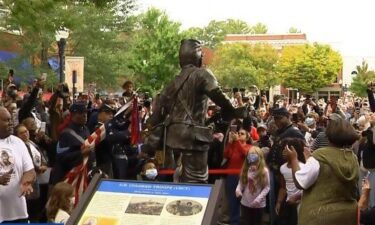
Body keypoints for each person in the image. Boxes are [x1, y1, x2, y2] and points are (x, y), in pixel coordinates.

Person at [142, 39, 247, 183]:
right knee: (196, 178)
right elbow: (217, 95)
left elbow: (157, 112)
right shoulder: (202, 74)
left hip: (173, 135)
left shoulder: (173, 82)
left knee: (170, 176)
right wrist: (233, 110)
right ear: (197, 56)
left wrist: (150, 127)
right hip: (192, 136)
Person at [284, 113, 359, 225]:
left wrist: (294, 159)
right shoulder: (353, 157)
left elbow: (301, 183)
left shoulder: (320, 155)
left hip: (319, 216)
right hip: (347, 216)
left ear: (328, 136)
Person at [0, 106, 36, 223]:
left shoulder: (17, 142)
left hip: (17, 212)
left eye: (11, 119)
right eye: (6, 120)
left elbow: (30, 170)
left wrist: (27, 182)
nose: (11, 123)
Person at [50, 102, 95, 185]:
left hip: (85, 173)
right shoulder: (66, 134)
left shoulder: (86, 129)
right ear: (73, 115)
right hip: (70, 177)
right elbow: (61, 157)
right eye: (81, 113)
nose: (85, 115)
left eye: (86, 113)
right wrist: (81, 153)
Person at [223, 128, 251, 225]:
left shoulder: (249, 147)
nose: (239, 135)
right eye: (238, 133)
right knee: (232, 200)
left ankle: (245, 221)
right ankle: (234, 222)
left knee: (245, 200)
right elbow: (226, 155)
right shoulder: (234, 145)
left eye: (242, 134)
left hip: (243, 177)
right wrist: (230, 142)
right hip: (231, 176)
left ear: (247, 137)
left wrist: (237, 142)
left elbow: (245, 154)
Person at [235, 147, 270, 225]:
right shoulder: (246, 169)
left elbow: (267, 187)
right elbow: (241, 183)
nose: (251, 156)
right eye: (250, 154)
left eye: (254, 154)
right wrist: (238, 190)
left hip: (259, 205)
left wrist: (258, 199)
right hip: (245, 203)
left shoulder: (264, 171)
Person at [276, 138, 306, 225]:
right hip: (288, 203)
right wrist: (279, 202)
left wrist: (299, 199)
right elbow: (283, 187)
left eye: (286, 150)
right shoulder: (283, 168)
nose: (283, 152)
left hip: (300, 205)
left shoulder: (303, 167)